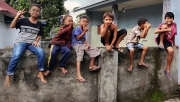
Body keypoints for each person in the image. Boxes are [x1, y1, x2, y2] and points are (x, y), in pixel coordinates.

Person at [4, 4, 46, 88]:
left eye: (37, 11)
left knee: (41, 52)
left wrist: (36, 41)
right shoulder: (23, 20)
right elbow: (12, 26)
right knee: (16, 55)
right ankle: (8, 75)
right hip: (21, 42)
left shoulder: (39, 24)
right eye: (33, 10)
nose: (35, 12)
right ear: (30, 11)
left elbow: (39, 34)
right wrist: (17, 16)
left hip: (31, 43)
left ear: (39, 13)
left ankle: (40, 72)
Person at [72, 15, 101, 82]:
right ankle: (78, 75)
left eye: (86, 22)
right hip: (76, 44)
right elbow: (77, 38)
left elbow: (83, 39)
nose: (85, 23)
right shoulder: (78, 28)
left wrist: (87, 44)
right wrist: (84, 31)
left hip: (82, 44)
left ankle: (91, 65)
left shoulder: (84, 29)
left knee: (95, 49)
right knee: (80, 56)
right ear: (79, 22)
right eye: (83, 21)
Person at [154, 12, 179, 79]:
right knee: (164, 27)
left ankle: (167, 68)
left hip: (168, 41)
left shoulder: (174, 25)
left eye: (171, 18)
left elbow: (173, 35)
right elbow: (155, 31)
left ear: (173, 19)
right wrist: (167, 29)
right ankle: (161, 44)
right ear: (165, 19)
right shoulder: (163, 24)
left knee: (171, 51)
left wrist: (174, 44)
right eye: (167, 18)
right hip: (161, 39)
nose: (169, 20)